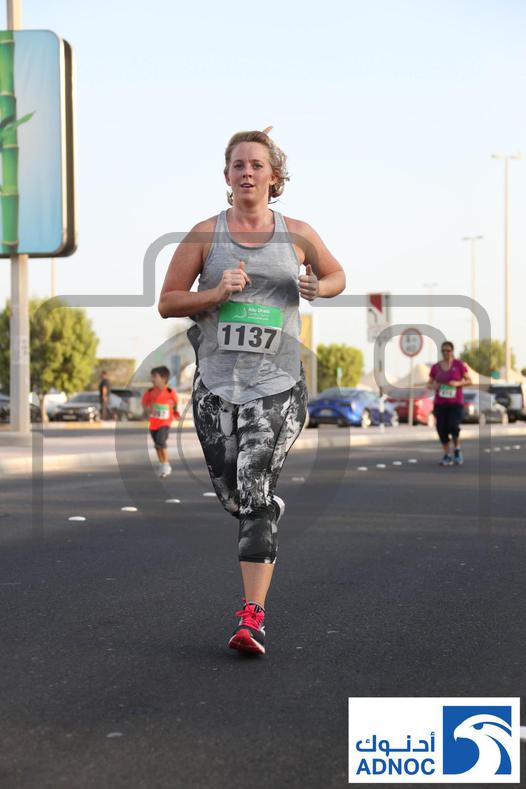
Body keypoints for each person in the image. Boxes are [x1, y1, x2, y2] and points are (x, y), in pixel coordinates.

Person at [158, 127, 346, 655]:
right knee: (233, 494)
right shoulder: (204, 235)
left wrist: (318, 287)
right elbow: (168, 302)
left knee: (254, 492)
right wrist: (215, 293)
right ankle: (259, 507)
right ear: (226, 175)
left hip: (277, 384)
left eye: (256, 165)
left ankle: (252, 617)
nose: (247, 173)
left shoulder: (298, 234)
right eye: (238, 165)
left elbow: (337, 275)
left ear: (274, 176)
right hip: (217, 384)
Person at [428, 341, 472, 466]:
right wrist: (434, 386)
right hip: (440, 403)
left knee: (453, 426)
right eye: (443, 351)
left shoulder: (459, 365)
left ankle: (457, 450)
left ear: (452, 351)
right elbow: (429, 383)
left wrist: (457, 383)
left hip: (455, 403)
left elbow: (469, 381)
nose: (445, 353)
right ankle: (447, 455)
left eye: (448, 350)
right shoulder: (436, 367)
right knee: (441, 429)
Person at [141, 366, 180, 478]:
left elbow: (175, 403)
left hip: (165, 423)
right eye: (152, 376)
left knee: (160, 442)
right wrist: (147, 410)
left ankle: (166, 464)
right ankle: (162, 464)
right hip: (153, 423)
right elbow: (144, 403)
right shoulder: (150, 392)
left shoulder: (170, 392)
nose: (152, 379)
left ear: (163, 378)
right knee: (157, 446)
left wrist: (176, 413)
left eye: (155, 376)